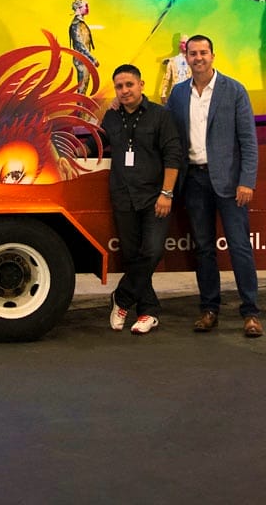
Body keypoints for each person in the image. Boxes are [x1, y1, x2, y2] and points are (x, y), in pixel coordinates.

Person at [167, 34, 262, 337]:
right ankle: (209, 310)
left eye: (203, 52)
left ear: (213, 55)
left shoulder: (234, 90)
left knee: (239, 248)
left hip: (230, 183)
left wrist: (247, 181)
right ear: (187, 58)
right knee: (204, 249)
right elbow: (166, 132)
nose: (198, 58)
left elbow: (248, 141)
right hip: (193, 181)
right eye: (193, 53)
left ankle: (250, 313)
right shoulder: (179, 94)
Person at [102, 64, 182, 335]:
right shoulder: (111, 117)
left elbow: (173, 155)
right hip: (123, 197)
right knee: (133, 256)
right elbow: (98, 145)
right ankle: (147, 311)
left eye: (129, 85)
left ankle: (121, 299)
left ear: (141, 85)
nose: (124, 91)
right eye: (119, 86)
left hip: (154, 198)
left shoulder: (161, 116)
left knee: (151, 251)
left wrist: (167, 193)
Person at [68, 0, 97, 95]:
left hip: (84, 59)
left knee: (84, 86)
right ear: (78, 8)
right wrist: (92, 59)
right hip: (81, 60)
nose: (87, 8)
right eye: (85, 6)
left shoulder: (81, 23)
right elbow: (80, 44)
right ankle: (80, 109)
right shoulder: (76, 24)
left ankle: (81, 109)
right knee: (82, 86)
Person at [157, 34, 191, 104]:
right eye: (183, 43)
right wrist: (163, 94)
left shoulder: (192, 61)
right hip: (175, 93)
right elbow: (166, 78)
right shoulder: (173, 61)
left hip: (189, 93)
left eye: (187, 43)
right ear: (179, 44)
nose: (185, 45)